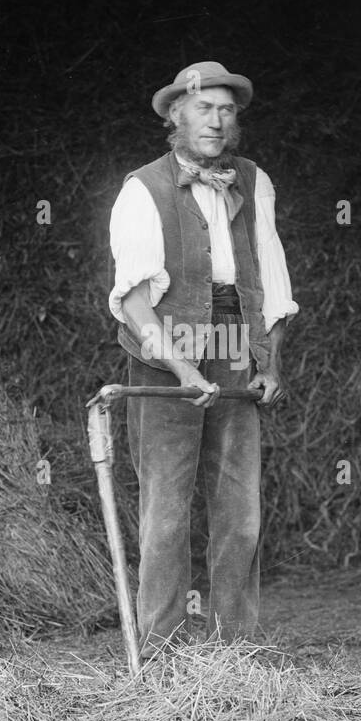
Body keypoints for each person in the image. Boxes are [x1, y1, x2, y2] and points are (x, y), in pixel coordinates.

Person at [108, 60, 298, 658]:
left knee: (240, 509)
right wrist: (184, 370)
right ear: (175, 115)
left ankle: (236, 650)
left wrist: (269, 364)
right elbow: (136, 302)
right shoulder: (143, 188)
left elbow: (271, 280)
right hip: (168, 345)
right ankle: (160, 656)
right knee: (166, 509)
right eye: (203, 109)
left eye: (226, 111)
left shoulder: (253, 181)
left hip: (234, 340)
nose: (216, 122)